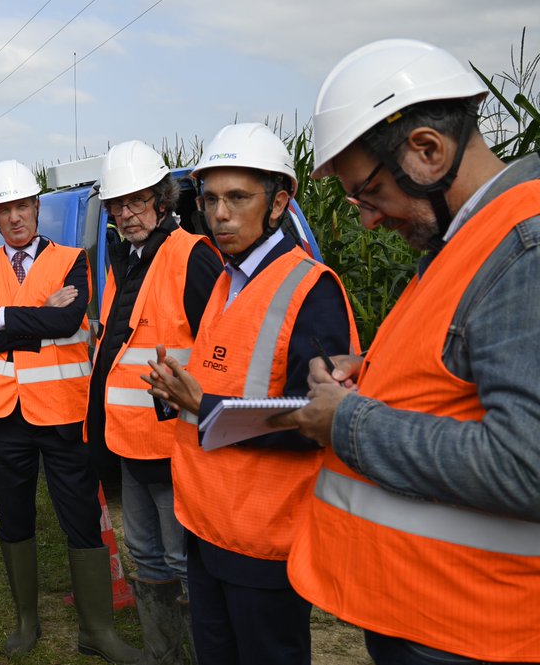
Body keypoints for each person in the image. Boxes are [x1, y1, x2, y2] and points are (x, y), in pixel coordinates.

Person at [275, 38, 540, 664]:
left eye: (368, 194)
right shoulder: (465, 242)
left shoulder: (524, 248)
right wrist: (370, 375)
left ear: (427, 150)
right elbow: (457, 376)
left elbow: (527, 465)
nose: (366, 220)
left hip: (475, 631)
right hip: (433, 613)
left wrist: (346, 421)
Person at [144, 124, 357, 665]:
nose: (220, 213)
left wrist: (204, 407)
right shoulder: (224, 280)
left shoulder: (312, 289)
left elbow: (318, 421)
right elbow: (227, 378)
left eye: (238, 198)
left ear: (280, 202)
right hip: (206, 525)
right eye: (211, 198)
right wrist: (177, 393)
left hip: (265, 537)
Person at [0, 159, 142, 664]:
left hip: (62, 413)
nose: (16, 217)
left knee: (81, 517)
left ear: (36, 207)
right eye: (5, 209)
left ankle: (98, 632)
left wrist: (3, 317)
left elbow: (66, 321)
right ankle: (26, 622)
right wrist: (31, 314)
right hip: (2, 416)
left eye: (23, 205)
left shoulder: (71, 259)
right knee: (13, 517)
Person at [87, 141, 222, 664]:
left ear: (162, 200)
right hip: (130, 441)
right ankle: (164, 655)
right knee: (146, 556)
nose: (126, 213)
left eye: (137, 200)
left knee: (182, 560)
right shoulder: (131, 258)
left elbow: (218, 348)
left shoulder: (191, 255)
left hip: (176, 444)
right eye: (117, 205)